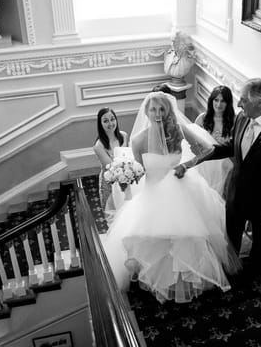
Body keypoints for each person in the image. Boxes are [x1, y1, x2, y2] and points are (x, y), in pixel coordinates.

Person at [102, 92, 241, 304]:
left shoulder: (179, 129)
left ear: (168, 111)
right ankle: (159, 279)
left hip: (182, 189)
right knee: (155, 238)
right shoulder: (138, 140)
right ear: (146, 112)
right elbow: (140, 171)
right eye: (153, 109)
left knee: (188, 236)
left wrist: (187, 165)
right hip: (153, 195)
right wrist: (125, 179)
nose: (157, 114)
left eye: (162, 109)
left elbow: (206, 150)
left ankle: (187, 279)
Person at [176, 78, 261, 269]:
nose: (239, 104)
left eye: (243, 100)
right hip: (236, 195)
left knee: (259, 244)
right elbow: (230, 147)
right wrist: (195, 160)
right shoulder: (242, 117)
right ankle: (231, 269)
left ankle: (256, 273)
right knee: (231, 239)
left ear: (260, 102)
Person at [194, 85, 236, 196]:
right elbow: (193, 142)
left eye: (223, 101)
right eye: (216, 100)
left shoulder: (234, 122)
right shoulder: (202, 118)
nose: (218, 104)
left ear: (228, 103)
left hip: (224, 166)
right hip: (204, 163)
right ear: (211, 101)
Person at [93, 107, 128, 213]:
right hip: (109, 183)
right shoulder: (98, 146)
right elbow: (111, 168)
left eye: (112, 119)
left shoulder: (124, 136)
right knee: (113, 214)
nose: (110, 123)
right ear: (100, 124)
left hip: (126, 178)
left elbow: (128, 157)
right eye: (105, 121)